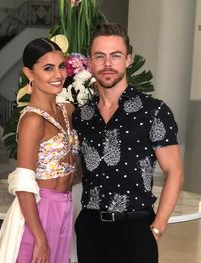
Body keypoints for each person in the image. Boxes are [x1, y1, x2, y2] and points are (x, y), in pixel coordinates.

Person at [72, 23, 184, 263]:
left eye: (116, 55)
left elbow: (174, 171)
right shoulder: (82, 115)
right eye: (100, 56)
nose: (108, 64)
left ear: (128, 60)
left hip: (136, 229)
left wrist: (157, 228)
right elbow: (78, 170)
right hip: (90, 229)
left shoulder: (154, 111)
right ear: (90, 62)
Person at [0, 38, 79, 263]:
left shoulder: (68, 110)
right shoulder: (32, 120)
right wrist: (40, 238)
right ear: (29, 73)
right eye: (48, 68)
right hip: (39, 212)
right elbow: (23, 184)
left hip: (66, 206)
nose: (58, 75)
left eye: (61, 66)